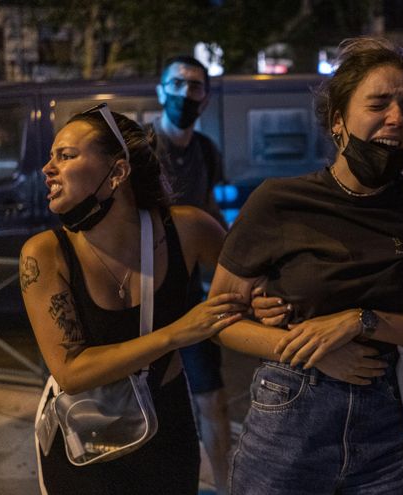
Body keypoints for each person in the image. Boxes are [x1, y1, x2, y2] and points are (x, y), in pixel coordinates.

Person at [209, 37, 403, 494]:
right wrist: (314, 351)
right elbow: (221, 318)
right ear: (338, 121)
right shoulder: (280, 200)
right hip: (290, 417)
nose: (397, 117)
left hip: (387, 426)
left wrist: (357, 322)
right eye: (379, 103)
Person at [19, 103, 246, 494]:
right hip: (81, 440)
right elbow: (70, 371)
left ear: (117, 172)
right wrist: (177, 334)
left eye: (66, 155)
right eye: (51, 157)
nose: (47, 168)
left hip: (167, 429)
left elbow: (253, 286)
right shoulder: (44, 253)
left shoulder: (188, 229)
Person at [154, 54, 232, 493]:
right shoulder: (143, 147)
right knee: (150, 402)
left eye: (196, 86)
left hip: (191, 294)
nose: (186, 93)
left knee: (213, 398)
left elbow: (210, 209)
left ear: (205, 97)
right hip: (146, 295)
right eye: (178, 83)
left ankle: (223, 486)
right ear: (161, 89)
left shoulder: (205, 150)